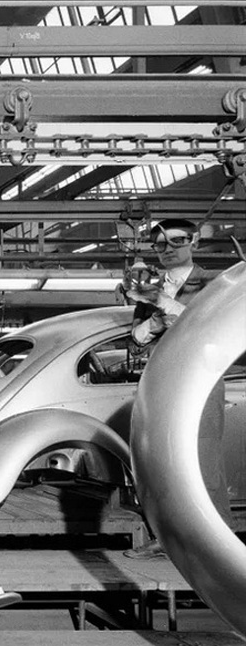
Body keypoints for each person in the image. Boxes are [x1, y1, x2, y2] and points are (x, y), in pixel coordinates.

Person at [121, 218, 232, 559]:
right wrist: (154, 320)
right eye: (159, 245)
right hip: (158, 382)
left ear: (194, 241)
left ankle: (216, 546)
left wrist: (167, 306)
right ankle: (165, 539)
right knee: (158, 461)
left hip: (201, 383)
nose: (167, 249)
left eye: (176, 241)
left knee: (203, 463)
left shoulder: (216, 285)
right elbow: (135, 343)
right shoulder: (149, 290)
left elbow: (214, 331)